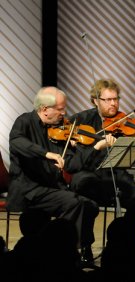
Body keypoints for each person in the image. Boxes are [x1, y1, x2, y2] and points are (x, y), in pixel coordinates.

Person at [7, 87, 114, 264]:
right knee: (74, 203)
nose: (65, 113)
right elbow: (17, 142)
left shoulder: (59, 132)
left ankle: (80, 248)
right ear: (44, 110)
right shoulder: (24, 121)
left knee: (90, 205)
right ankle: (62, 254)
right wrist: (46, 154)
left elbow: (72, 166)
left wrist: (92, 148)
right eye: (60, 109)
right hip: (29, 188)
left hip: (51, 187)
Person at [68, 79, 135, 262]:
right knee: (86, 201)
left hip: (115, 172)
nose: (113, 103)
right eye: (108, 100)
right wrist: (92, 145)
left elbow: (133, 158)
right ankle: (84, 245)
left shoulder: (126, 122)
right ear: (95, 101)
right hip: (87, 172)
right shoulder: (79, 120)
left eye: (116, 99)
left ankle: (123, 239)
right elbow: (73, 159)